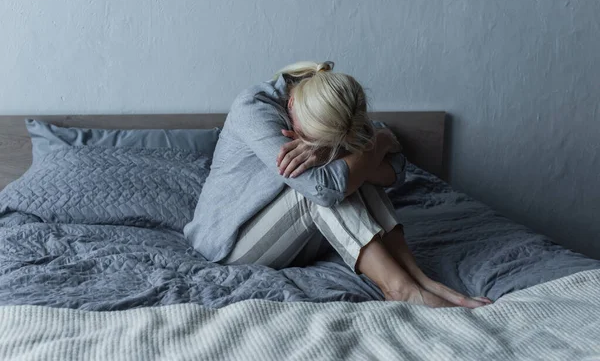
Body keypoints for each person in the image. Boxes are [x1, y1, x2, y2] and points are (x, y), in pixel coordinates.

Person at [184, 61, 492, 308]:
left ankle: (420, 279)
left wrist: (373, 141)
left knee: (354, 176)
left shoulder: (331, 103)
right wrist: (373, 145)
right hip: (230, 244)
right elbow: (322, 190)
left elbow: (396, 172)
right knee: (326, 188)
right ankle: (400, 289)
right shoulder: (254, 109)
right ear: (292, 105)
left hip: (296, 241)